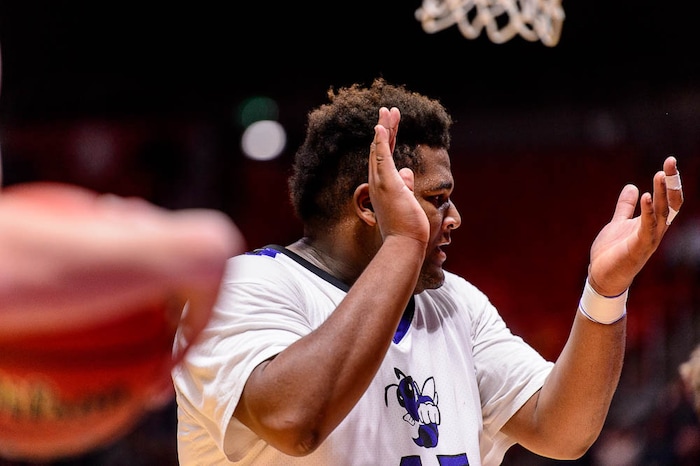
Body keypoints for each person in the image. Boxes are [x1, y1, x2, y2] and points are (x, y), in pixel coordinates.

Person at [172, 77, 684, 465]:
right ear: (370, 205)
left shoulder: (457, 304)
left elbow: (564, 430)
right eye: (438, 200)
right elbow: (294, 421)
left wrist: (605, 291)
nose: (455, 217)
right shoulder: (243, 287)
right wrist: (403, 241)